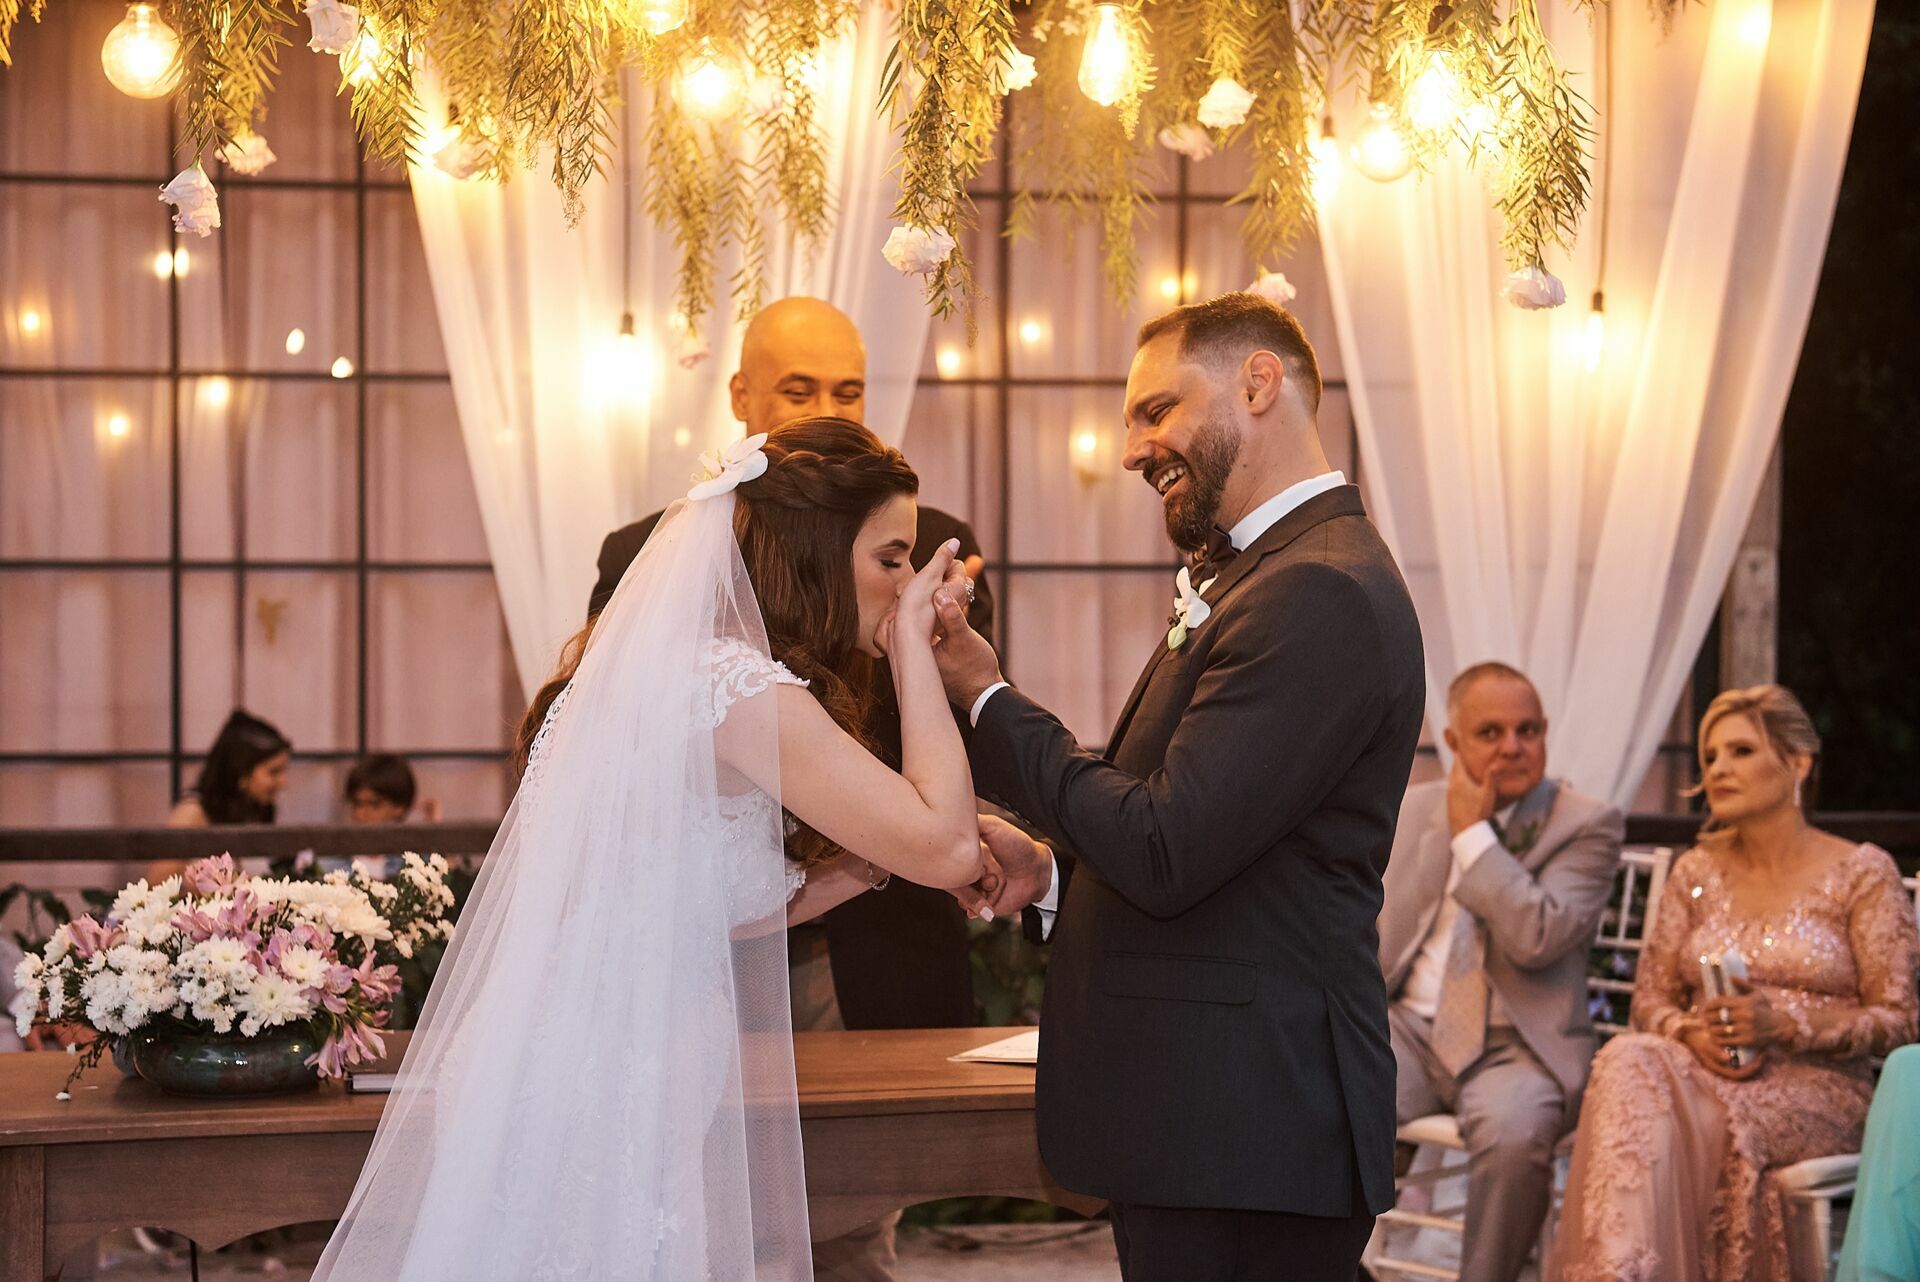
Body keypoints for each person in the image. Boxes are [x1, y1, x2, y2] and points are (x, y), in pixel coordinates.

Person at [313, 418, 985, 1280]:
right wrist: (916, 656)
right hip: (602, 1089)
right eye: (890, 559)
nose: (904, 584)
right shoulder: (742, 690)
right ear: (818, 550)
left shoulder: (673, 674)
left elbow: (714, 907)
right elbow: (948, 846)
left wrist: (872, 858)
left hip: (588, 1064)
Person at [933, 293, 1426, 1281]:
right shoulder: (1268, 576)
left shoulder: (1316, 589)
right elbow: (1220, 852)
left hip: (1249, 1130)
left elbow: (1165, 846)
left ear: (1259, 383)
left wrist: (987, 697)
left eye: (1156, 410)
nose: (1131, 448)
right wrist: (1059, 872)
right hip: (1212, 1125)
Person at [588, 295, 989, 1282]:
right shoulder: (715, 652)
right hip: (700, 999)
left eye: (849, 389)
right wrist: (905, 639)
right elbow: (932, 837)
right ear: (740, 397)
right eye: (799, 388)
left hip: (829, 937)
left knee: (840, 1233)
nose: (829, 408)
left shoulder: (920, 535)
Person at [1549, 684, 1919, 1282]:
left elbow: (1900, 1021)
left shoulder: (1862, 871)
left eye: (1741, 751)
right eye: (1711, 756)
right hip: (1702, 1072)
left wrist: (1786, 1024)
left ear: (1798, 763)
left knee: (1670, 1106)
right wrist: (1688, 1031)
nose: (1718, 768)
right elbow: (1650, 1000)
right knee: (1628, 1057)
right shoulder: (1696, 872)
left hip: (1820, 1090)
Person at [1376, 662, 1624, 1282]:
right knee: (1319, 1087)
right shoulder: (1411, 808)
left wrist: (1474, 838)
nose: (1513, 746)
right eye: (1490, 733)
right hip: (1408, 1028)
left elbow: (1537, 935)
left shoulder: (1586, 823)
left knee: (1515, 1139)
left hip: (1517, 1048)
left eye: (1528, 730)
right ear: (1454, 742)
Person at [148, 709, 291, 881]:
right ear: (241, 773)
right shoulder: (193, 812)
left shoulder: (254, 811)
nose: (283, 782)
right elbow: (156, 883)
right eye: (274, 772)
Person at [344, 754, 442, 825]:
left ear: (399, 807)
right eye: (357, 804)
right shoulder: (337, 851)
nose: (360, 814)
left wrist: (435, 832)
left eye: (374, 805)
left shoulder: (415, 853)